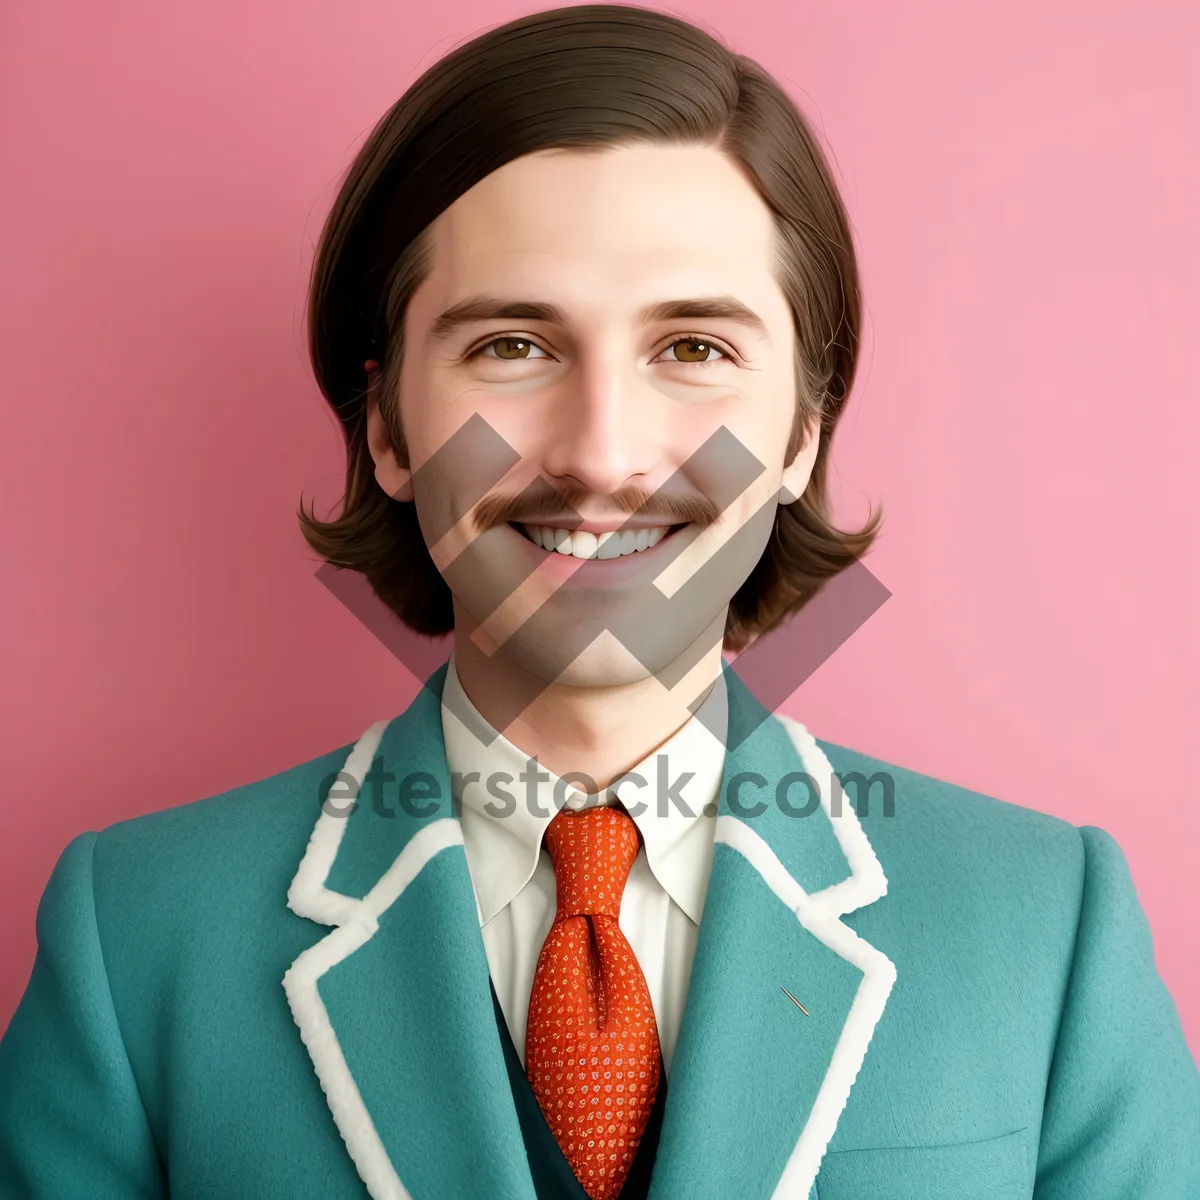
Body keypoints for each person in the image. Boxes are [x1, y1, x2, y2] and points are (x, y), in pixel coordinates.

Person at [1, 5, 1196, 1198]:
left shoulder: (1047, 929)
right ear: (386, 426)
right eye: (514, 346)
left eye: (693, 350)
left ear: (802, 430)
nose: (603, 453)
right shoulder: (138, 939)